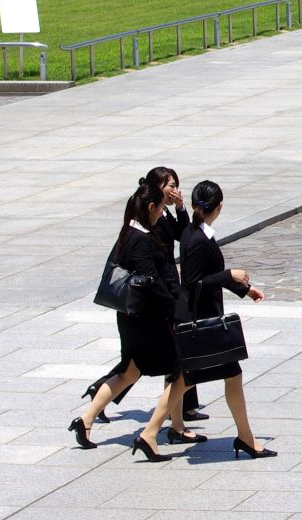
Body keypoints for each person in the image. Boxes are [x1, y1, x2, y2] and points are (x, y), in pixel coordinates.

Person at [72, 178, 192, 460]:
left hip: (131, 316)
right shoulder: (141, 240)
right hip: (147, 319)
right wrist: (176, 309)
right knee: (179, 369)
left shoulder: (129, 231)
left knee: (130, 370)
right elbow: (152, 281)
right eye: (161, 207)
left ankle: (85, 420)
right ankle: (152, 434)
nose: (162, 212)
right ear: (151, 206)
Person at [178, 181, 276, 459]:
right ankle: (246, 438)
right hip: (203, 322)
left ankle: (246, 437)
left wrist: (244, 289)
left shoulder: (195, 232)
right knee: (188, 382)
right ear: (218, 207)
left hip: (205, 320)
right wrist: (229, 275)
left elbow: (210, 273)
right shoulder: (197, 238)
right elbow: (195, 283)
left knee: (191, 381)